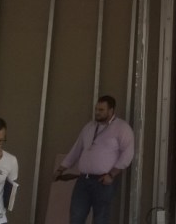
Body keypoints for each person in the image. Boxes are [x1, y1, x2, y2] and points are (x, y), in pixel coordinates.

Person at [54, 95, 135, 224]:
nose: (97, 112)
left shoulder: (122, 128)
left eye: (101, 110)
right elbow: (76, 150)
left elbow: (127, 154)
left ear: (111, 110)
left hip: (103, 181)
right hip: (83, 180)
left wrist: (111, 175)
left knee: (100, 218)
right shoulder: (89, 127)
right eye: (96, 109)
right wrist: (60, 169)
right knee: (76, 216)